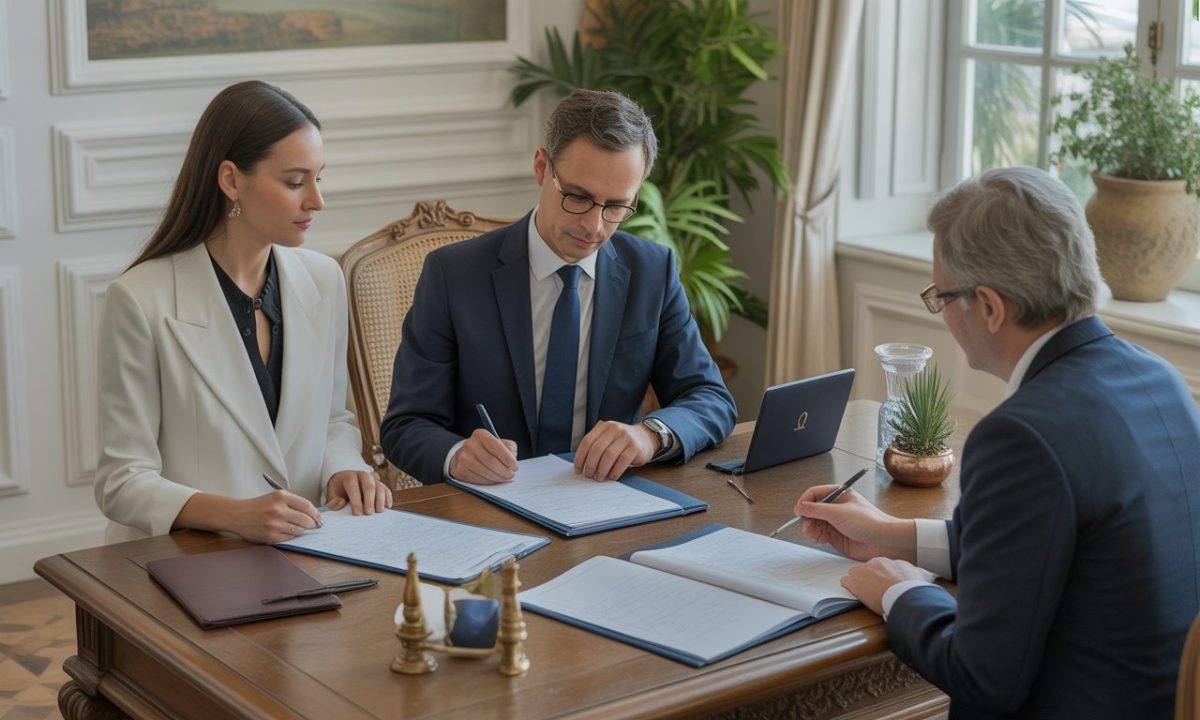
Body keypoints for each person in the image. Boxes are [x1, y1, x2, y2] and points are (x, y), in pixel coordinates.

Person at [793, 167, 1200, 718]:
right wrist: (891, 537)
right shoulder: (1160, 379)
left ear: (988, 305)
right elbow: (1056, 545)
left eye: (942, 295)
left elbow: (982, 678)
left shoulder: (1021, 435)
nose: (942, 312)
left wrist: (900, 591)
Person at [381, 89, 736, 486]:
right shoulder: (453, 274)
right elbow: (406, 425)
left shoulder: (653, 270)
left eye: (616, 206)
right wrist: (456, 455)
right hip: (491, 510)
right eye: (578, 197)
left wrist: (648, 435)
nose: (595, 226)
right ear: (541, 167)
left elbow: (710, 398)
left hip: (609, 504)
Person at [96, 80, 391, 545]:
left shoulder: (323, 279)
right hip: (183, 562)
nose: (316, 200)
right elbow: (122, 481)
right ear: (231, 179)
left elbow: (333, 421)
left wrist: (345, 469)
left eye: (319, 178)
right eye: (295, 182)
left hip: (309, 550)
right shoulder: (139, 299)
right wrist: (235, 515)